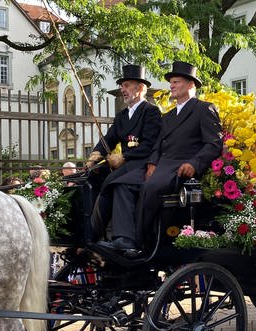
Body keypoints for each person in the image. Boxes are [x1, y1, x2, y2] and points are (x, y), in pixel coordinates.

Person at [119, 61, 222, 253]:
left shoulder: (204, 109)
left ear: (191, 85)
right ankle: (122, 236)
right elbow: (158, 144)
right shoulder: (168, 116)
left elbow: (214, 143)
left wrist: (194, 164)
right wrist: (151, 163)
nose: (172, 86)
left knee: (151, 187)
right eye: (171, 82)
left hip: (182, 166)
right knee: (127, 182)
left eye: (176, 82)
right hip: (163, 165)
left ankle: (141, 243)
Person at [85, 65, 162, 246]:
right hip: (126, 165)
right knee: (92, 177)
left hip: (142, 163)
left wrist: (124, 157)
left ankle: (124, 238)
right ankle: (92, 233)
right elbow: (108, 140)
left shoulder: (150, 111)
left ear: (140, 88)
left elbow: (151, 144)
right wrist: (94, 157)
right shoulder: (122, 116)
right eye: (122, 86)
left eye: (126, 85)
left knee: (120, 183)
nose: (122, 90)